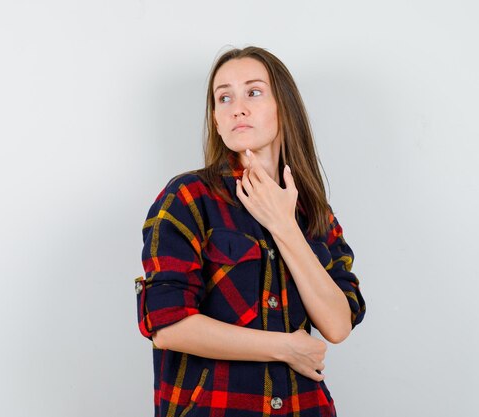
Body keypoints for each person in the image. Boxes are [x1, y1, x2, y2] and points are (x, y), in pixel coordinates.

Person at [133, 45, 366, 417]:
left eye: (253, 92)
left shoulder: (314, 213)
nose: (236, 107)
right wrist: (284, 347)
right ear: (216, 117)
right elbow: (167, 325)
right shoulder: (189, 198)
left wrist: (284, 227)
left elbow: (338, 324)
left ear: (283, 106)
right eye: (223, 97)